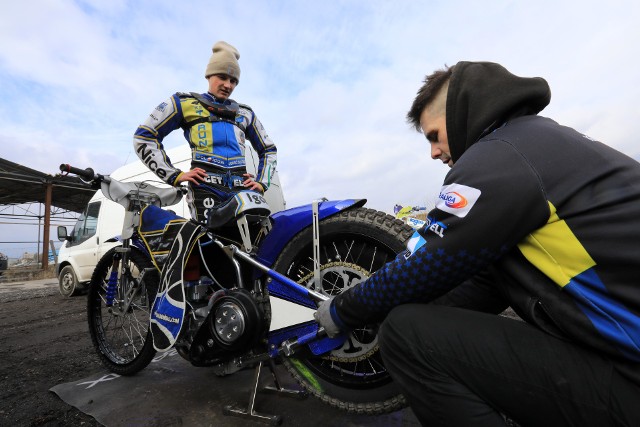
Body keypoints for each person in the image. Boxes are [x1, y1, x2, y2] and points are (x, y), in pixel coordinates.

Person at [315, 61, 640, 426]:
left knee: (407, 336)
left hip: (630, 375)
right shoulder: (545, 142)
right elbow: (488, 283)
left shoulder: (499, 156)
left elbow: (424, 263)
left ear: (460, 114)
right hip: (622, 355)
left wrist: (341, 311)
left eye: (434, 136)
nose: (434, 153)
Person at [133, 41, 277, 222]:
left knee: (249, 248)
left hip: (242, 190)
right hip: (205, 189)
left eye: (233, 81)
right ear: (209, 75)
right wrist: (174, 175)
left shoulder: (245, 113)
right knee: (207, 247)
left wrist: (262, 182)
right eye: (223, 77)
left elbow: (269, 149)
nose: (228, 85)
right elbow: (143, 136)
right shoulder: (183, 102)